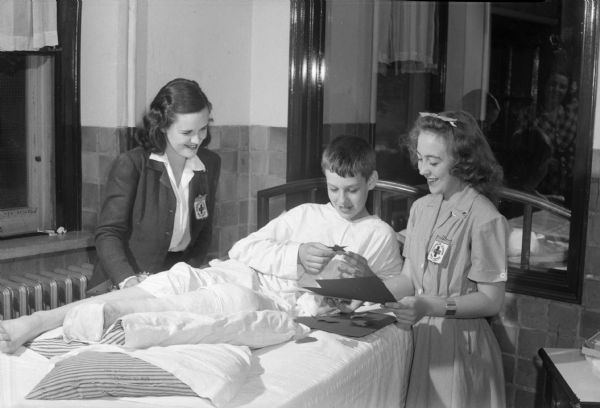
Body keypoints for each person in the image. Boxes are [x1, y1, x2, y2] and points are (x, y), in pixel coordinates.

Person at [0, 135, 404, 352]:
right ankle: (36, 322)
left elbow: (387, 295)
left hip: (266, 297)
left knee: (198, 305)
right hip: (237, 270)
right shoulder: (306, 216)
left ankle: (108, 323)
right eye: (334, 188)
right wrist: (296, 254)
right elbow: (244, 248)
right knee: (160, 285)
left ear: (371, 181)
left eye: (352, 190)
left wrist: (344, 295)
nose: (342, 200)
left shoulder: (380, 235)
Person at [382, 111, 508, 408]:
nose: (423, 169)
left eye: (433, 161)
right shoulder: (421, 209)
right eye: (420, 158)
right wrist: (362, 294)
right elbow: (409, 279)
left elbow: (491, 300)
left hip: (460, 351)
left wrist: (429, 305)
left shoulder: (485, 218)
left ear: (462, 161)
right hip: (422, 340)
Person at [88, 78, 221, 294]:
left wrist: (188, 277)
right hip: (123, 281)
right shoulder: (132, 165)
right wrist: (129, 281)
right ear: (162, 127)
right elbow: (108, 233)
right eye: (187, 133)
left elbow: (204, 230)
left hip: (173, 283)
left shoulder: (209, 164)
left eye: (203, 129)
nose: (197, 140)